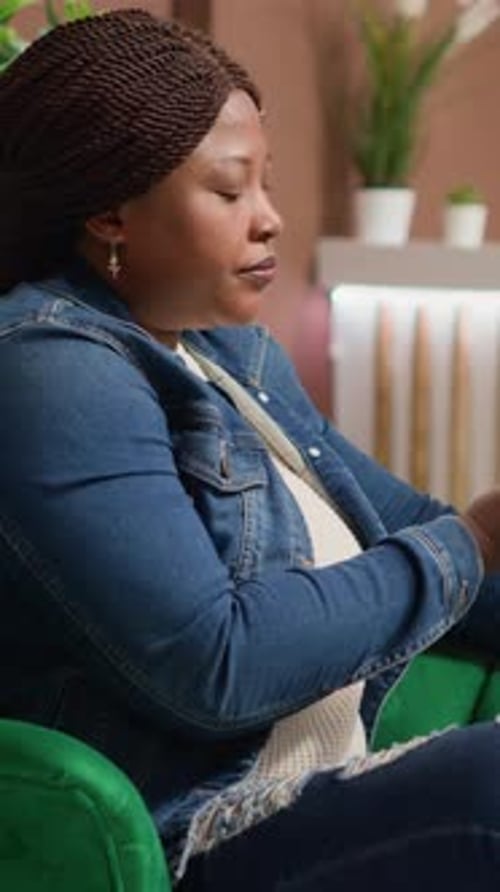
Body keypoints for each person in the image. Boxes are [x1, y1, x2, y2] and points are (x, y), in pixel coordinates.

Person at [1, 9, 500, 891]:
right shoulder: (47, 370)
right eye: (232, 191)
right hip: (206, 832)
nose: (270, 220)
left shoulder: (230, 356)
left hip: (327, 791)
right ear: (110, 210)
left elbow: (408, 524)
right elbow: (213, 662)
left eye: (266, 185)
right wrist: (472, 544)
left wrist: (470, 543)